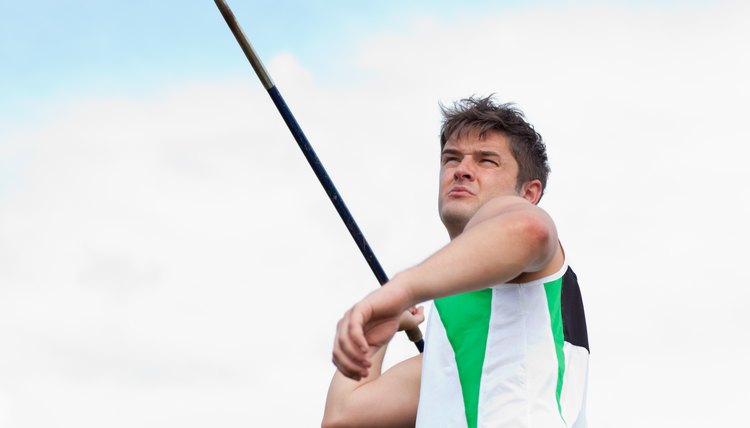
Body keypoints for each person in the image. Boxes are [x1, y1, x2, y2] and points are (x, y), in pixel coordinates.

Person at [322, 95, 589, 428]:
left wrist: (403, 291)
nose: (462, 170)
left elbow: (530, 230)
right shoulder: (453, 335)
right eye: (451, 159)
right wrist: (384, 325)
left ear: (529, 194)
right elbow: (344, 417)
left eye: (486, 161)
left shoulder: (521, 228)